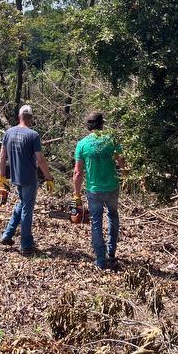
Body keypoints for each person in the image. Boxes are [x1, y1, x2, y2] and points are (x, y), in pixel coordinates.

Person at [73, 111, 126, 270]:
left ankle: (101, 260)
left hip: (94, 190)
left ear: (88, 125)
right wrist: (126, 177)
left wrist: (76, 194)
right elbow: (122, 160)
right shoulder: (112, 140)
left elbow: (78, 172)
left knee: (96, 222)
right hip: (112, 187)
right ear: (102, 123)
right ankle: (111, 252)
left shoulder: (82, 144)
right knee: (113, 215)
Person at [0, 104, 53, 255]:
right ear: (31, 118)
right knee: (27, 210)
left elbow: (2, 156)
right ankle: (26, 244)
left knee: (22, 204)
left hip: (15, 177)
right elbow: (40, 160)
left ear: (19, 116)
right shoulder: (33, 135)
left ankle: (7, 235)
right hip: (29, 178)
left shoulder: (8, 132)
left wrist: (2, 178)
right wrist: (48, 177)